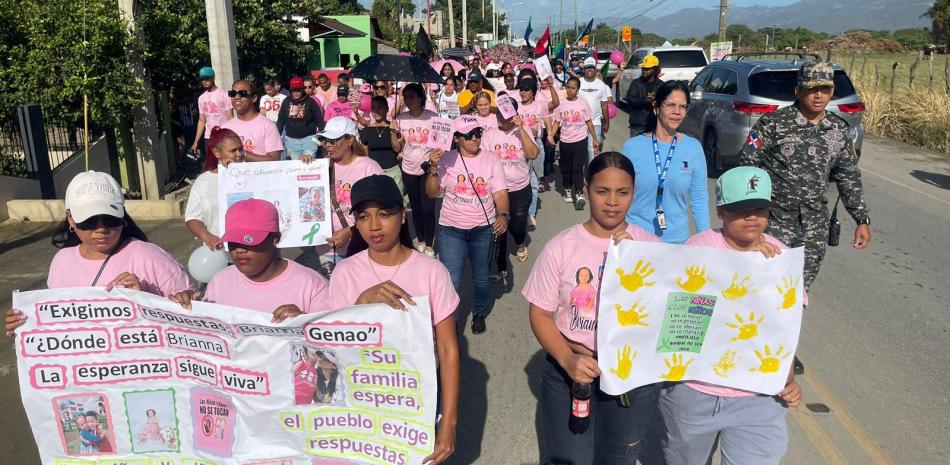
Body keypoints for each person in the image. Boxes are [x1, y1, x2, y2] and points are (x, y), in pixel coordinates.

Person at [524, 152, 661, 465]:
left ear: (634, 192)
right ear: (586, 189)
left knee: (619, 457)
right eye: (602, 191)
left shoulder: (650, 248)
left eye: (622, 192)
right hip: (571, 373)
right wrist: (567, 359)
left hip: (631, 377)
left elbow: (673, 308)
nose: (612, 202)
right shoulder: (561, 246)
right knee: (570, 458)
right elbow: (540, 313)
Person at [662, 166, 802, 465]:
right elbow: (677, 314)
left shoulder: (781, 257)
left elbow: (785, 327)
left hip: (758, 396)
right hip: (696, 391)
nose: (752, 217)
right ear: (721, 212)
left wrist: (787, 376)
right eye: (741, 210)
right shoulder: (699, 248)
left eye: (759, 209)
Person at [328, 174, 460, 464]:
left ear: (402, 216)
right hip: (361, 397)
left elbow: (448, 350)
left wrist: (448, 424)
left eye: (384, 214)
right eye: (363, 217)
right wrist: (362, 303)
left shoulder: (432, 271)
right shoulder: (345, 273)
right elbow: (333, 347)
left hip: (417, 397)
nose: (374, 226)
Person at [5, 171, 192, 335]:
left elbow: (191, 321)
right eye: (89, 221)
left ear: (122, 214)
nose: (101, 229)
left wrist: (145, 301)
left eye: (110, 219)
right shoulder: (61, 261)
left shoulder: (150, 258)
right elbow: (55, 321)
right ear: (71, 219)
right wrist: (26, 322)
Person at [740, 61, 871, 290]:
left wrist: (861, 219)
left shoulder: (838, 129)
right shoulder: (773, 124)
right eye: (811, 89)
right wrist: (750, 218)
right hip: (774, 222)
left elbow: (848, 176)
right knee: (764, 288)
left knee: (799, 290)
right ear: (798, 91)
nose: (818, 95)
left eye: (825, 89)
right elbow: (746, 168)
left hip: (814, 226)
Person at [168, 199, 331, 322]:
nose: (239, 250)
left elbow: (333, 343)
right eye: (233, 242)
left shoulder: (312, 286)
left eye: (248, 241)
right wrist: (190, 307)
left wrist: (304, 323)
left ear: (275, 239)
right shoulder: (220, 281)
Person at [425, 115, 509, 335]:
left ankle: (479, 313)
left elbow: (500, 193)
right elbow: (433, 192)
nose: (475, 138)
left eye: (477, 133)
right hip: (451, 230)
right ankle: (450, 324)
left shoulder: (491, 159)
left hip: (483, 229)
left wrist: (503, 215)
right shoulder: (446, 158)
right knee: (452, 281)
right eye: (469, 134)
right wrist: (433, 166)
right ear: (456, 138)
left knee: (481, 277)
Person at [621, 80, 709, 244]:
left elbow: (699, 199)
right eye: (670, 105)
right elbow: (619, 195)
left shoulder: (693, 148)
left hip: (676, 243)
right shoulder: (632, 147)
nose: (677, 111)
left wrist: (706, 242)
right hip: (636, 240)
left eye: (682, 107)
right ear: (656, 108)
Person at [484, 95, 539, 280]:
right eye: (499, 113)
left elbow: (533, 154)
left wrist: (521, 128)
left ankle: (520, 242)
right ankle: (500, 266)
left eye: (506, 114)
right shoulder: (489, 134)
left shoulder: (522, 131)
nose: (502, 117)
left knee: (516, 227)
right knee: (499, 228)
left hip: (520, 189)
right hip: (498, 191)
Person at [394, 83, 440, 256]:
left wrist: (435, 158)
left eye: (412, 96)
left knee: (428, 207)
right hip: (408, 168)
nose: (408, 100)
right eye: (405, 97)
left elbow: (440, 142)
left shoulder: (432, 117)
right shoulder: (400, 119)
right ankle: (420, 240)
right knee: (416, 207)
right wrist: (394, 134)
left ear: (420, 98)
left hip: (428, 168)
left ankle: (429, 244)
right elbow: (397, 147)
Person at [185, 127, 245, 250]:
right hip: (219, 250)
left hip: (252, 250)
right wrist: (207, 237)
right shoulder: (203, 181)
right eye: (233, 151)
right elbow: (192, 217)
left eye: (240, 149)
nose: (239, 154)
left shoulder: (253, 176)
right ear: (217, 153)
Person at [547, 76, 599, 210]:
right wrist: (550, 136)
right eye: (568, 87)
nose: (570, 90)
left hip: (580, 139)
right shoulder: (561, 104)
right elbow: (556, 122)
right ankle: (568, 189)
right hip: (565, 141)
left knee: (578, 167)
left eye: (573, 88)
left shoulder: (583, 103)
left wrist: (594, 138)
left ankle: (579, 193)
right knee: (566, 167)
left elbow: (588, 121)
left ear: (578, 90)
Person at [516, 77, 557, 224]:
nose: (523, 93)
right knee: (520, 180)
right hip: (519, 146)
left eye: (526, 90)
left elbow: (547, 121)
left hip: (536, 145)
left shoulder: (540, 106)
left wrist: (549, 135)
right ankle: (518, 212)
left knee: (534, 182)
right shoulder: (516, 107)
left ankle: (530, 213)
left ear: (533, 92)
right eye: (521, 90)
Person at [221, 80, 284, 161]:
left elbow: (274, 159)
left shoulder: (268, 126)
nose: (236, 97)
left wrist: (244, 154)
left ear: (254, 98)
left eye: (242, 93)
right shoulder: (225, 128)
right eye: (232, 93)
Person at [191, 67, 233, 171]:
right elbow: (202, 120)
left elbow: (230, 118)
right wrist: (196, 141)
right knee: (211, 165)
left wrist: (232, 136)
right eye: (202, 79)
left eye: (207, 78)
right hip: (208, 136)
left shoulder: (224, 95)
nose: (204, 81)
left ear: (213, 78)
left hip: (223, 136)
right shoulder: (201, 98)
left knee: (226, 163)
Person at [358, 97, 404, 192]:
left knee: (396, 199)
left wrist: (392, 132)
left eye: (380, 107)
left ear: (387, 109)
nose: (376, 111)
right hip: (375, 173)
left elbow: (397, 149)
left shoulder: (394, 127)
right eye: (373, 108)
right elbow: (366, 156)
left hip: (393, 172)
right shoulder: (367, 131)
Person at [277, 77, 324, 161]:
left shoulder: (311, 102)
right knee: (296, 165)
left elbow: (319, 120)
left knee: (309, 163)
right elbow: (281, 121)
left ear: (302, 89)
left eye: (298, 89)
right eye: (294, 90)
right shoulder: (286, 101)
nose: (296, 92)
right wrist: (276, 137)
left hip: (309, 140)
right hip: (291, 141)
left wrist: (324, 137)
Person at [579, 57, 612, 162]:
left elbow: (604, 105)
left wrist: (606, 122)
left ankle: (592, 170)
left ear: (595, 70)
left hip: (596, 122)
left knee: (593, 148)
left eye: (592, 68)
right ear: (584, 69)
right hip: (579, 122)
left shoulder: (601, 85)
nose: (590, 70)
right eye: (587, 68)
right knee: (581, 149)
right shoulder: (578, 82)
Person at [623, 55, 663, 137]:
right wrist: (645, 100)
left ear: (655, 69)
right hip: (638, 126)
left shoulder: (661, 85)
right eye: (643, 68)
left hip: (654, 126)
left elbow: (665, 102)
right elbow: (630, 99)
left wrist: (657, 102)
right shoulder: (636, 83)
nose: (644, 70)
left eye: (647, 69)